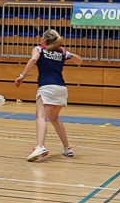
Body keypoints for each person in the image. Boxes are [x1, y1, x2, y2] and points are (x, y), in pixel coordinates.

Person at [14, 29, 83, 162]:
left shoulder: (39, 49)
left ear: (44, 39)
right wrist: (65, 52)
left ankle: (40, 146)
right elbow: (79, 60)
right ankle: (67, 148)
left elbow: (33, 59)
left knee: (40, 117)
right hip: (61, 88)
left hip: (46, 87)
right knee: (54, 118)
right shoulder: (61, 52)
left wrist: (22, 76)